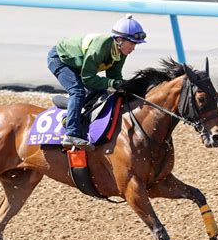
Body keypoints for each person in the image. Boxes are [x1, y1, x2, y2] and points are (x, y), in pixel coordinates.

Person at [47, 14, 147, 151]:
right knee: (77, 91)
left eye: (135, 45)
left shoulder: (121, 53)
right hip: (59, 59)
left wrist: (125, 86)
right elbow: (88, 78)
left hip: (79, 64)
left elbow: (114, 77)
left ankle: (74, 110)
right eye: (132, 43)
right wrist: (112, 83)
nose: (133, 48)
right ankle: (71, 134)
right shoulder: (99, 48)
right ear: (119, 40)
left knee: (101, 91)